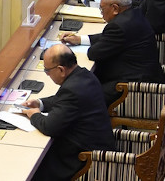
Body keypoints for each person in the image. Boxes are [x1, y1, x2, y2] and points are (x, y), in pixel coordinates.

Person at [19, 44, 115, 181]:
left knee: (33, 168)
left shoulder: (71, 90)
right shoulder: (84, 75)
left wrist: (33, 114)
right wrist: (40, 104)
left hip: (86, 158)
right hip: (96, 144)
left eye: (47, 71)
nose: (47, 74)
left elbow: (49, 127)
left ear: (61, 70)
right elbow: (63, 101)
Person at [61, 0, 165, 105]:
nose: (101, 14)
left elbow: (94, 53)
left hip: (133, 89)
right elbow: (112, 37)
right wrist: (80, 39)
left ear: (115, 8)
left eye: (102, 9)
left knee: (81, 98)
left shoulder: (118, 27)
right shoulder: (134, 14)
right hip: (146, 77)